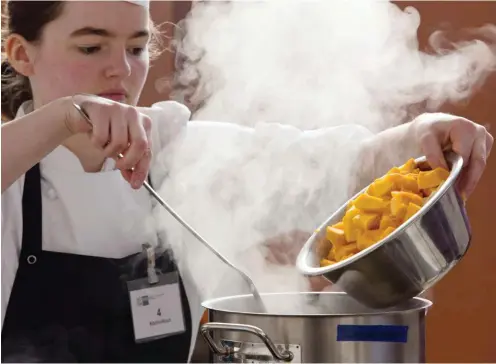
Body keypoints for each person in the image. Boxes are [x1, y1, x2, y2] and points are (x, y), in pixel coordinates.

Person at [1, 0, 492, 363]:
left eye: (137, 47)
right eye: (91, 46)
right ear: (21, 53)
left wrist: (421, 135)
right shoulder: (13, 175)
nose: (122, 70)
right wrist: (63, 119)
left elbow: (335, 163)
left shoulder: (180, 152)